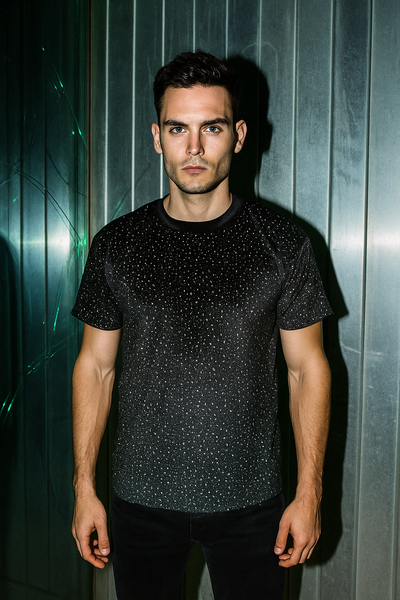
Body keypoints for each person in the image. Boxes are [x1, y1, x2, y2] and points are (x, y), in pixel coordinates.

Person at [71, 51, 332, 600]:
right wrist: (84, 488)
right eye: (177, 128)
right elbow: (95, 367)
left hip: (253, 505)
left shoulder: (283, 244)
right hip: (140, 502)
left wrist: (309, 493)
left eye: (211, 128)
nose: (193, 148)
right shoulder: (116, 245)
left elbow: (307, 369)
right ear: (156, 137)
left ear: (239, 135)